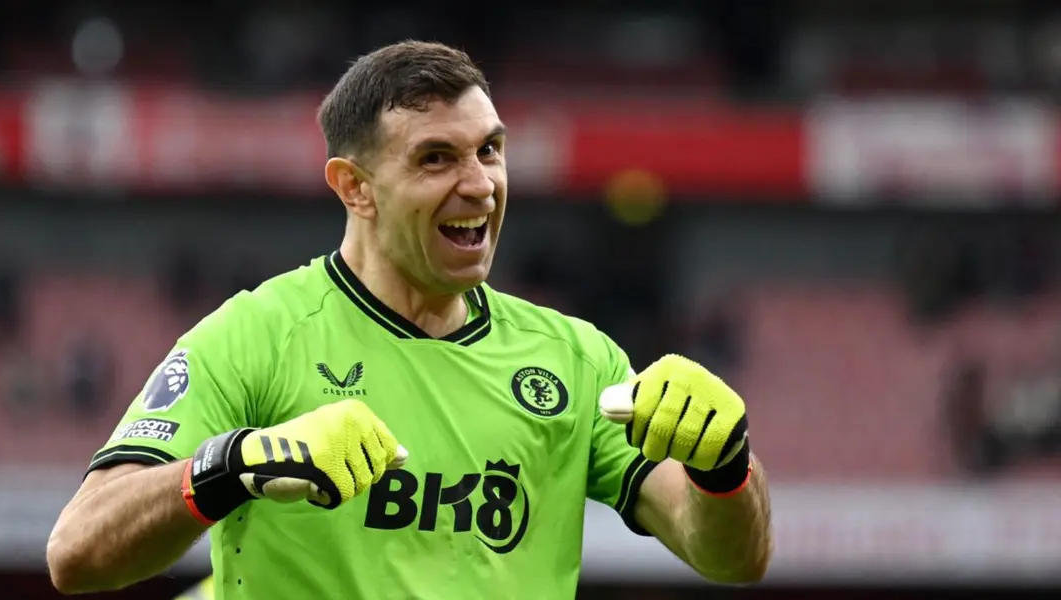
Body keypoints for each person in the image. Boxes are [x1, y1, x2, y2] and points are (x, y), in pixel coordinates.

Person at [46, 40, 772, 599]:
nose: (480, 184)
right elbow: (77, 551)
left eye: (491, 150)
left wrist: (725, 464)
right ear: (354, 188)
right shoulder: (257, 336)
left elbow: (734, 559)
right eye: (436, 159)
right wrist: (233, 464)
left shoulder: (573, 359)